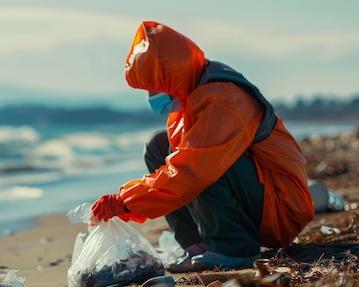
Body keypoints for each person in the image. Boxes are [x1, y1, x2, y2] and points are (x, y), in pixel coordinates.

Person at [90, 21, 315, 272]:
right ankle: (197, 244)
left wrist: (125, 201)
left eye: (153, 87)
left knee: (200, 162)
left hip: (280, 208)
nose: (151, 96)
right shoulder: (191, 94)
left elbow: (191, 171)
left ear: (170, 77)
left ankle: (233, 246)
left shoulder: (223, 97)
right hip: (255, 197)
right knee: (157, 146)